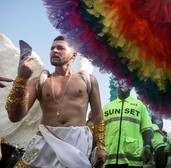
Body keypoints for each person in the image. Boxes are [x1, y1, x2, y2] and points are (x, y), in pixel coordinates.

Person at [5, 35, 107, 167]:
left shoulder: (88, 80)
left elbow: (98, 115)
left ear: (73, 55)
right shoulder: (39, 81)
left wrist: (100, 146)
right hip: (45, 142)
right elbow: (14, 116)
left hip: (76, 144)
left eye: (60, 48)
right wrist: (21, 79)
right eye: (52, 48)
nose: (54, 50)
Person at [103, 82, 152, 167]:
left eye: (124, 83)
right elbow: (100, 129)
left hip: (133, 160)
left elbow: (146, 128)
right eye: (119, 83)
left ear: (130, 87)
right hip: (109, 159)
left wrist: (148, 146)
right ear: (115, 85)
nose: (121, 85)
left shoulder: (139, 105)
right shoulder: (106, 107)